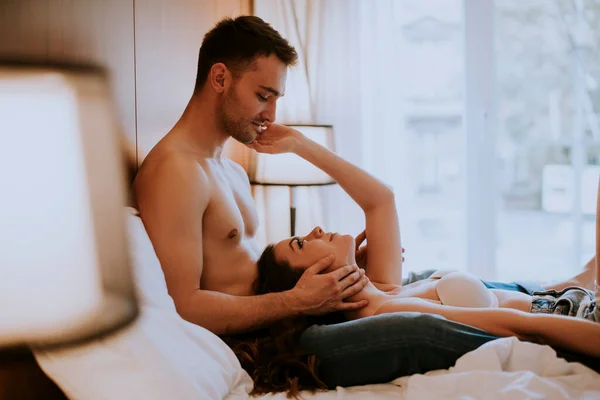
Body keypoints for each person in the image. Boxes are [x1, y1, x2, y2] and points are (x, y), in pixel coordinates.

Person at [132, 15, 599, 396]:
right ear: (219, 77)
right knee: (423, 322)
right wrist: (296, 299)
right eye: (263, 95)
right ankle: (558, 328)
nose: (270, 114)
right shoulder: (174, 170)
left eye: (275, 98)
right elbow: (184, 305)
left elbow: (261, 265)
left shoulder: (228, 168)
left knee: (436, 279)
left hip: (296, 308)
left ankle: (568, 298)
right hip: (270, 335)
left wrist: (328, 273)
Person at [227, 122, 600, 396]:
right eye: (301, 243)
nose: (316, 229)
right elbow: (520, 325)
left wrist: (299, 144)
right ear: (314, 279)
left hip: (571, 298)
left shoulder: (382, 286)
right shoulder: (384, 312)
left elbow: (381, 200)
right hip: (575, 320)